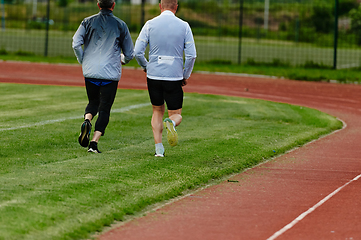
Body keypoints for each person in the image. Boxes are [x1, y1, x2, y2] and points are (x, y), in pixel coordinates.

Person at [134, 0, 197, 157]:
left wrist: (146, 67)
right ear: (176, 7)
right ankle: (172, 123)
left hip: (153, 75)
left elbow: (137, 52)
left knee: (157, 110)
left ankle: (159, 150)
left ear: (160, 6)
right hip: (173, 76)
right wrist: (185, 75)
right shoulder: (184, 26)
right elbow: (191, 55)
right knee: (176, 114)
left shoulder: (150, 24)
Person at [72, 0, 134, 153]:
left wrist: (83, 59)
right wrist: (123, 59)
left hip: (90, 71)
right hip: (110, 73)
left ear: (98, 5)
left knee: (93, 102)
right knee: (105, 108)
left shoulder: (87, 21)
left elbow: (75, 43)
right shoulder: (120, 25)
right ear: (113, 5)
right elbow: (130, 53)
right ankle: (94, 143)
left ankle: (87, 120)